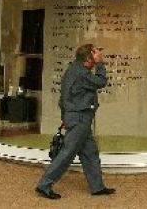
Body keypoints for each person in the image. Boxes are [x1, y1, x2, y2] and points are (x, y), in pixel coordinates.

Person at [35, 44, 115, 200]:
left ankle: (97, 187)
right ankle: (44, 185)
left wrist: (65, 117)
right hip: (80, 118)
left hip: (77, 117)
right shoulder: (82, 73)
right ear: (88, 59)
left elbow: (64, 98)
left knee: (90, 153)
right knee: (67, 153)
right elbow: (100, 81)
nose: (98, 57)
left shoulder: (73, 69)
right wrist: (100, 63)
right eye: (95, 55)